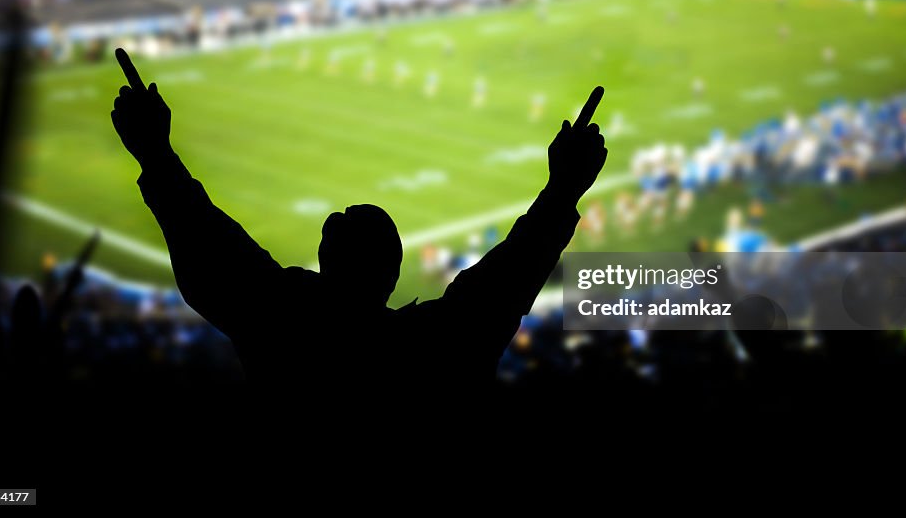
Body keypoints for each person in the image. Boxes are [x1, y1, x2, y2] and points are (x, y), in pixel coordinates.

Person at [110, 49, 607, 391]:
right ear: (393, 272)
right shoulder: (434, 349)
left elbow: (212, 255)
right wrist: (563, 188)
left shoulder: (280, 329)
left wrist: (156, 153)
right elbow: (502, 288)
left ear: (325, 264)